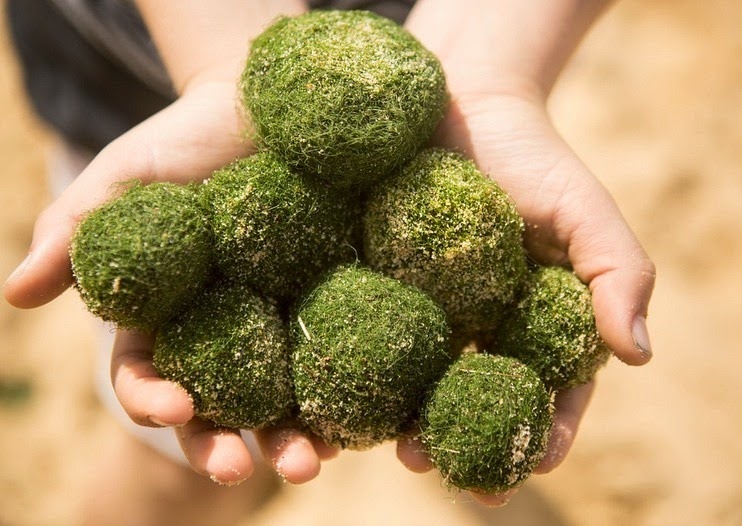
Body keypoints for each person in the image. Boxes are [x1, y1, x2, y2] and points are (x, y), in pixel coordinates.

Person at [3, 0, 656, 522]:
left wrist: (497, 63)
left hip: (439, 70)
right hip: (123, 77)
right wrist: (218, 63)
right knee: (180, 474)